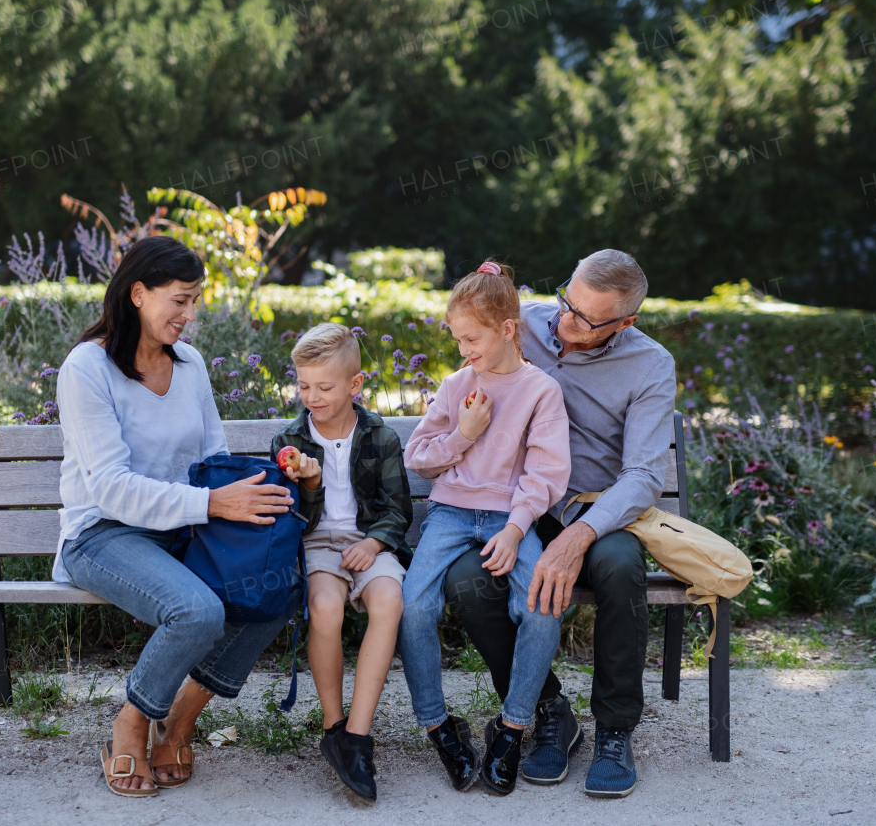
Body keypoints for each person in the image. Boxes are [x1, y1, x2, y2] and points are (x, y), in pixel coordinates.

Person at [53, 236, 300, 797]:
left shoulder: (188, 365)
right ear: (138, 293)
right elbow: (111, 490)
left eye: (195, 302)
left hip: (183, 529)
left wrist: (273, 488)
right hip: (103, 535)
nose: (189, 316)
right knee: (197, 612)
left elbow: (212, 461)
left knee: (280, 585)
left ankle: (180, 721)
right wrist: (212, 504)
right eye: (180, 300)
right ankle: (132, 722)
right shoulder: (87, 368)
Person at [441, 249, 676, 799]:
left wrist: (581, 533)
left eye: (587, 320)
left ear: (626, 322)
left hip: (593, 508)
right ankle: (546, 708)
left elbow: (642, 474)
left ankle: (615, 730)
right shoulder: (523, 320)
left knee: (619, 568)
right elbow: (468, 348)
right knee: (465, 582)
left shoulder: (650, 365)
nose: (564, 324)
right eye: (567, 303)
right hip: (515, 502)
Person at [399, 261, 571, 796]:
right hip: (449, 512)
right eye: (455, 339)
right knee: (414, 606)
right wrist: (464, 436)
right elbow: (419, 458)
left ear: (507, 329)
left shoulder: (541, 391)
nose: (462, 349)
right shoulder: (456, 385)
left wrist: (518, 529)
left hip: (508, 518)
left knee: (541, 606)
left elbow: (546, 475)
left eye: (471, 338)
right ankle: (439, 727)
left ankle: (512, 727)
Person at [270, 323, 413, 804]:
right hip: (317, 545)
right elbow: (290, 521)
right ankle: (333, 728)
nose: (312, 396)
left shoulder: (380, 437)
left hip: (369, 542)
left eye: (325, 387)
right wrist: (308, 486)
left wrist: (374, 544)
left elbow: (397, 511)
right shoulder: (289, 440)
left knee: (390, 600)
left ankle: (358, 734)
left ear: (355, 385)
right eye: (303, 385)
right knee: (325, 609)